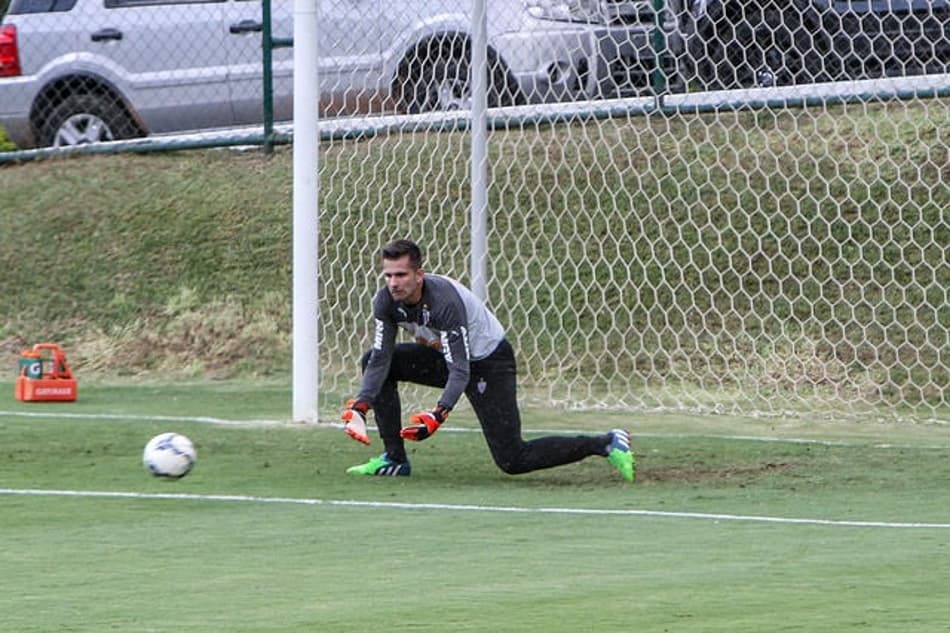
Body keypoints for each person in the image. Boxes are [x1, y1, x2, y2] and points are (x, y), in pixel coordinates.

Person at [340, 238, 635, 481]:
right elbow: (381, 357)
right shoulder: (386, 302)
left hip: (489, 362)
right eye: (389, 275)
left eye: (401, 274)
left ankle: (607, 442)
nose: (393, 283)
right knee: (376, 361)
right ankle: (394, 459)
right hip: (449, 358)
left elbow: (460, 370)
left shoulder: (444, 303)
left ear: (419, 275)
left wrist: (439, 413)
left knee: (512, 458)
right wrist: (361, 405)